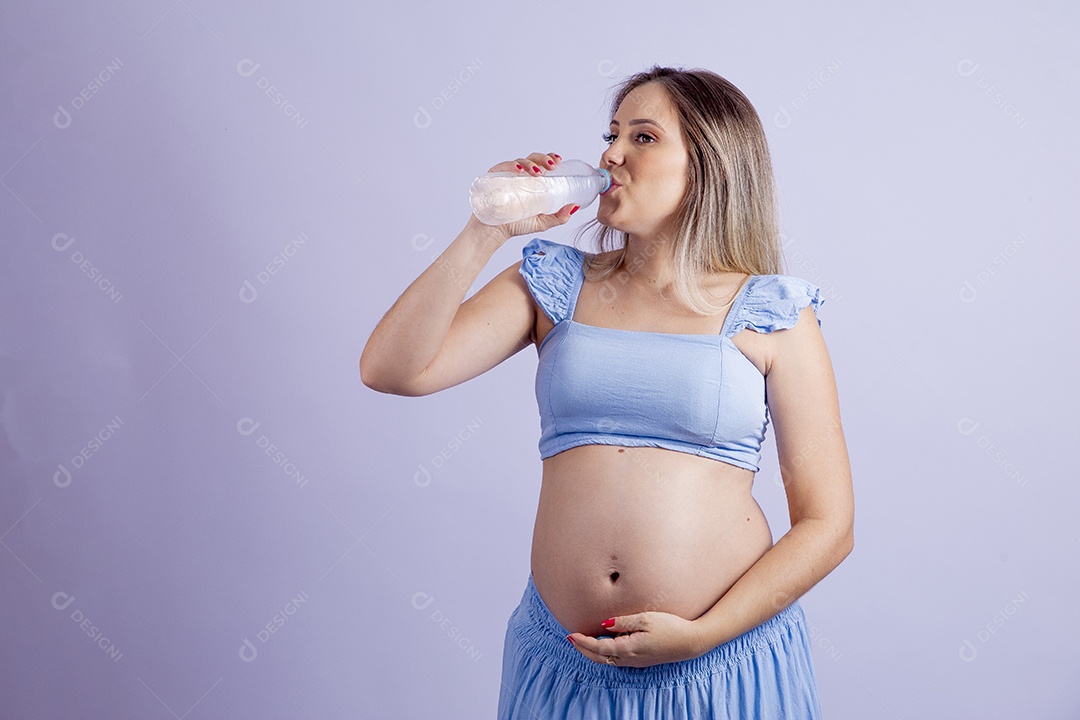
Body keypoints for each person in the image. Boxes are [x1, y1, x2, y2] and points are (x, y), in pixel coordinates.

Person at [360, 65, 854, 719]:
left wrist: (703, 634)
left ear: (709, 166)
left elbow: (829, 524)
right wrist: (486, 229)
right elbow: (392, 369)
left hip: (719, 665)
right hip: (563, 667)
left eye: (643, 138)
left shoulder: (772, 312)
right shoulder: (553, 282)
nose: (611, 154)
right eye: (612, 133)